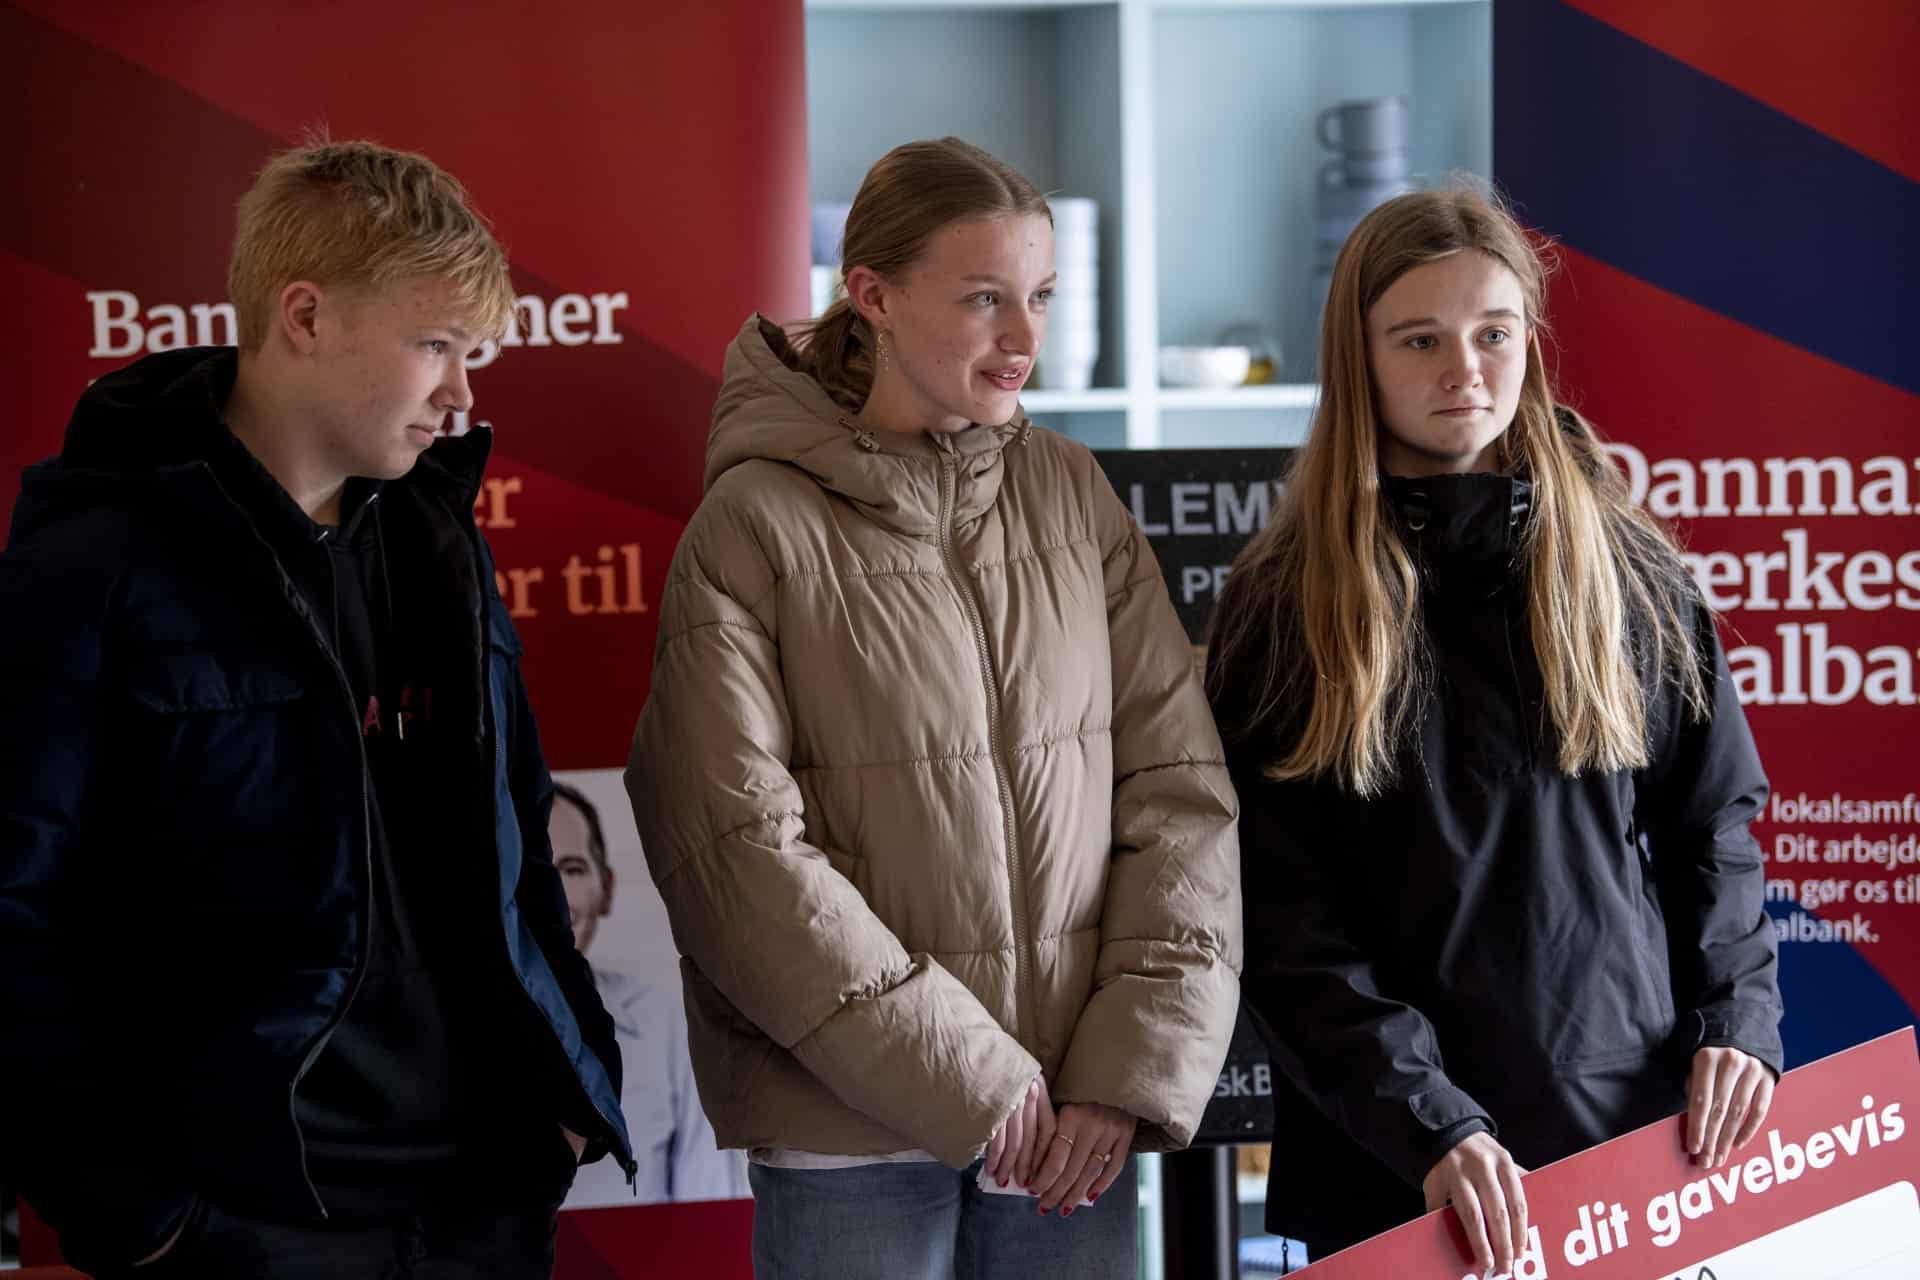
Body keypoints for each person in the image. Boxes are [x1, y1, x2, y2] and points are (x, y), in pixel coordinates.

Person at [0, 138, 632, 1278]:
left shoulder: (444, 544)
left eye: (471, 353)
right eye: (434, 346)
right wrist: (131, 1210)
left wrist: (571, 1085)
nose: (462, 394)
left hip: (482, 1194)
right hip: (240, 1222)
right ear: (303, 316)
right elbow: (13, 908)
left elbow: (520, 837)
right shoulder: (93, 563)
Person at [624, 136, 1242, 1278]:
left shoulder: (1071, 491)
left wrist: (1121, 1071)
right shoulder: (753, 526)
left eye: (1041, 296)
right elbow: (734, 849)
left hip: (1069, 1126)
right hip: (849, 1134)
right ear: (873, 295)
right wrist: (968, 1071)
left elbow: (1179, 793)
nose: (1025, 337)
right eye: (984, 298)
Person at [1205, 186, 1783, 1276]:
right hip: (1393, 1163)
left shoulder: (1626, 568)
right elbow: (1278, 917)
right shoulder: (1288, 601)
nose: (1463, 370)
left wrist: (1738, 1021)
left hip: (1628, 1137)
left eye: (1492, 333)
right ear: (1360, 354)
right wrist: (1433, 1122)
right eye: (1419, 338)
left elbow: (1716, 823)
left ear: (1530, 340)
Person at [549, 781, 748, 1205]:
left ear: (606, 887)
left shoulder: (671, 1022)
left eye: (572, 870)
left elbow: (706, 1198)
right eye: (532, 871)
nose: (553, 897)